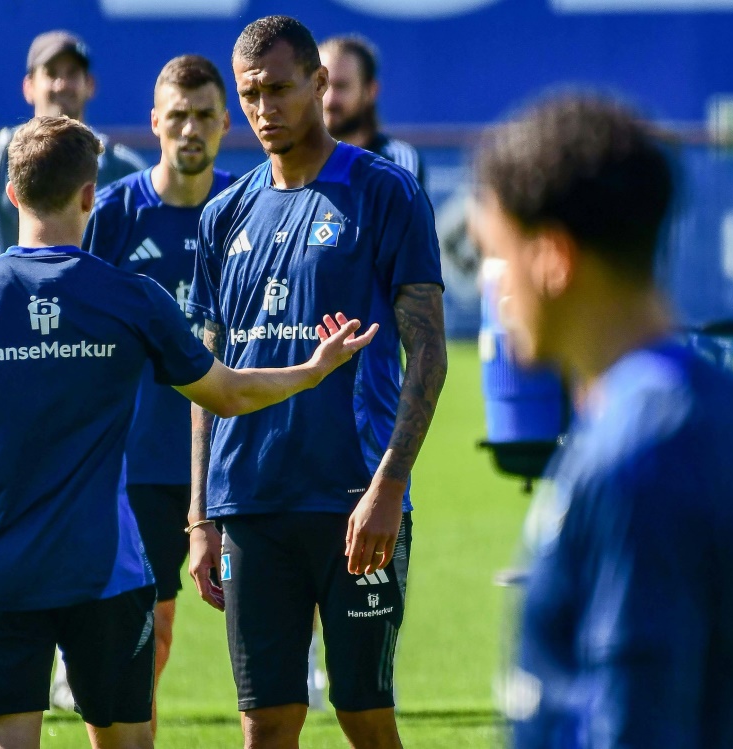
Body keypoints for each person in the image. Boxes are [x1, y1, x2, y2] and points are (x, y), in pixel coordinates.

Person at [0, 115, 377, 749]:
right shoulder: (133, 298)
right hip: (107, 573)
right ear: (88, 196)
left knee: (2, 743)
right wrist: (312, 370)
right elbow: (228, 393)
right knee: (126, 742)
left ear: (12, 195)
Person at [473, 95, 733, 748]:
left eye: (495, 253)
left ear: (552, 258)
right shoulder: (694, 403)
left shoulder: (646, 447)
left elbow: (636, 720)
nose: (491, 285)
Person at [187, 16, 447, 749]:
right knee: (266, 723)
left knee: (364, 715)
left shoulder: (385, 194)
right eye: (249, 94)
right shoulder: (223, 215)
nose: (264, 108)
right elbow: (210, 374)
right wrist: (200, 515)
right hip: (251, 503)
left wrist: (390, 485)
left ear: (320, 85)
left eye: (278, 89)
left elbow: (428, 351)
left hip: (352, 500)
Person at [81, 53, 234, 734]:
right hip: (140, 462)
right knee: (150, 632)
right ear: (154, 123)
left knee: (265, 631)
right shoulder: (115, 213)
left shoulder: (248, 204)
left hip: (234, 461)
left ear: (226, 122)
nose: (191, 128)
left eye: (204, 115)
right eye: (178, 116)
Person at [0, 29, 146, 304]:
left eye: (72, 73)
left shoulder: (121, 167)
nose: (61, 84)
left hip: (96, 334)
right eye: (50, 73)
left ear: (90, 85)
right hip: (13, 332)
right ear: (29, 86)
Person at [318, 34, 424, 185]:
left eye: (341, 86)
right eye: (321, 85)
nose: (330, 100)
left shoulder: (396, 161)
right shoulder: (288, 160)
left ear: (370, 91)